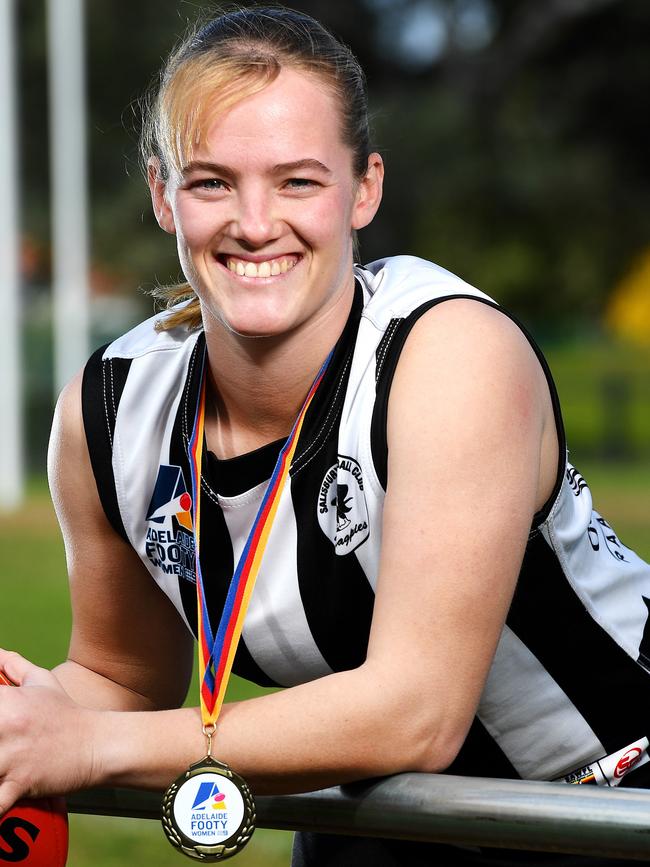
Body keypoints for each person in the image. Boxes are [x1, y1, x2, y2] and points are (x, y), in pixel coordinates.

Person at [1, 7, 649, 866]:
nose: (257, 221)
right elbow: (122, 684)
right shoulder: (111, 412)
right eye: (212, 182)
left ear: (365, 188)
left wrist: (90, 748)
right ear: (163, 194)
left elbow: (415, 710)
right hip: (380, 819)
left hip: (612, 803)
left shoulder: (449, 354)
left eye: (299, 181)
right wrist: (29, 713)